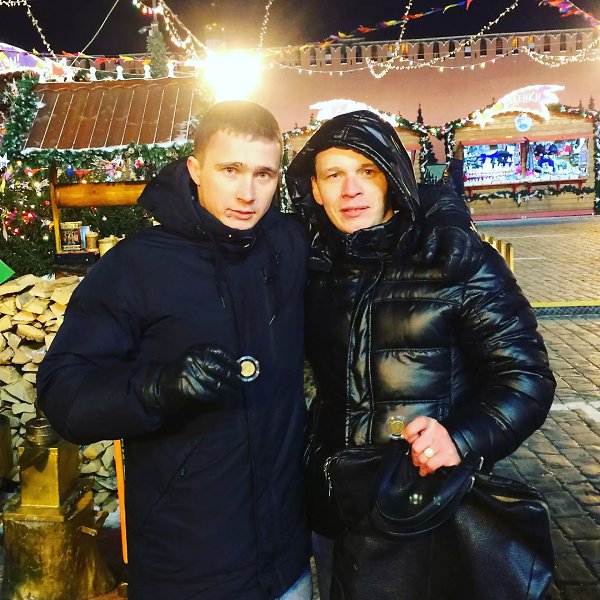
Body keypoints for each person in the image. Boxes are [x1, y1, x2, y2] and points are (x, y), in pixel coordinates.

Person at [37, 101, 478, 599]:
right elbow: (63, 395)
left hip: (286, 565)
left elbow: (377, 216)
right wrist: (157, 387)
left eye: (263, 174)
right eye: (230, 170)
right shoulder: (134, 267)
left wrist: (446, 220)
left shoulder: (291, 242)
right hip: (186, 568)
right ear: (195, 169)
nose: (247, 193)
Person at [285, 110, 556, 600]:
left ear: (391, 176)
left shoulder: (454, 257)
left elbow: (525, 376)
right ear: (315, 189)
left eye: (367, 171)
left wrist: (460, 437)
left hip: (429, 505)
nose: (351, 190)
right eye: (334, 175)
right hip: (337, 507)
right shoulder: (313, 266)